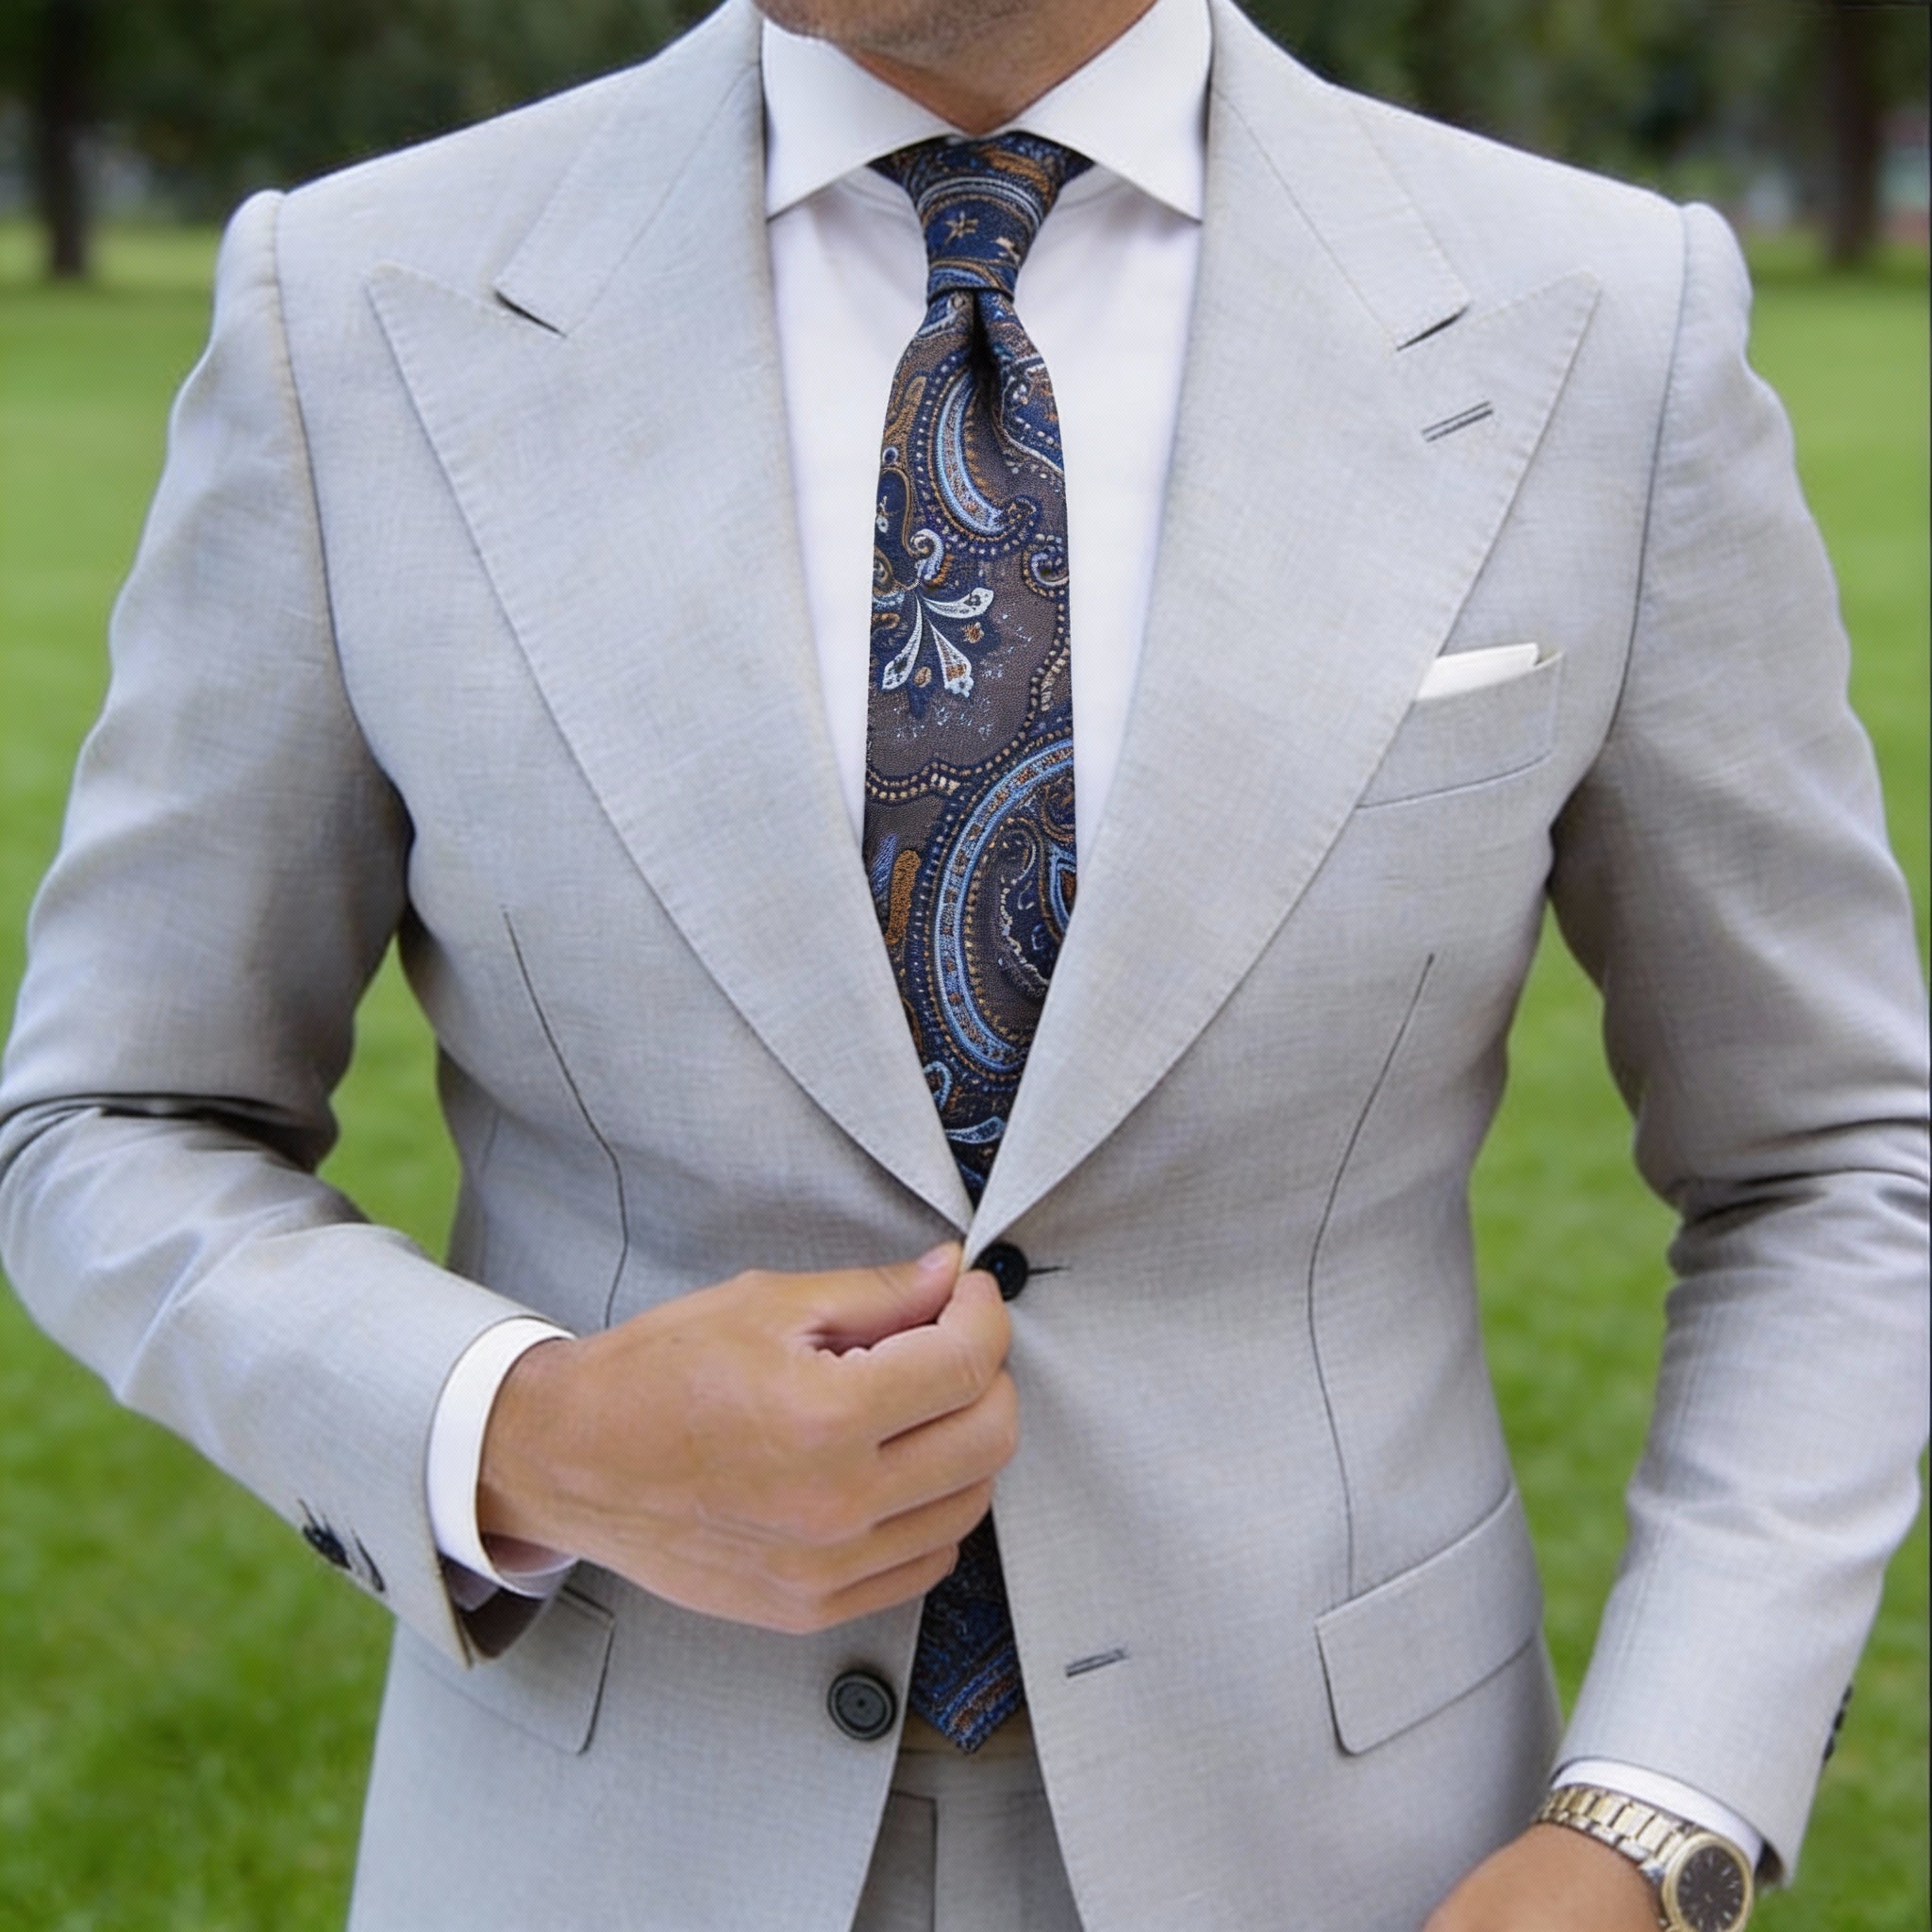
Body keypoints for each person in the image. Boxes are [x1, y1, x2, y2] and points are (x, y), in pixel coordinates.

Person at [1, 0, 1924, 1925]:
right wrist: (525, 1434)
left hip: (1362, 1858)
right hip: (601, 1847)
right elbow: (110, 1116)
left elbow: (1831, 1157)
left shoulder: (1598, 314)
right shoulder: (347, 309)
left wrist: (1651, 1819)